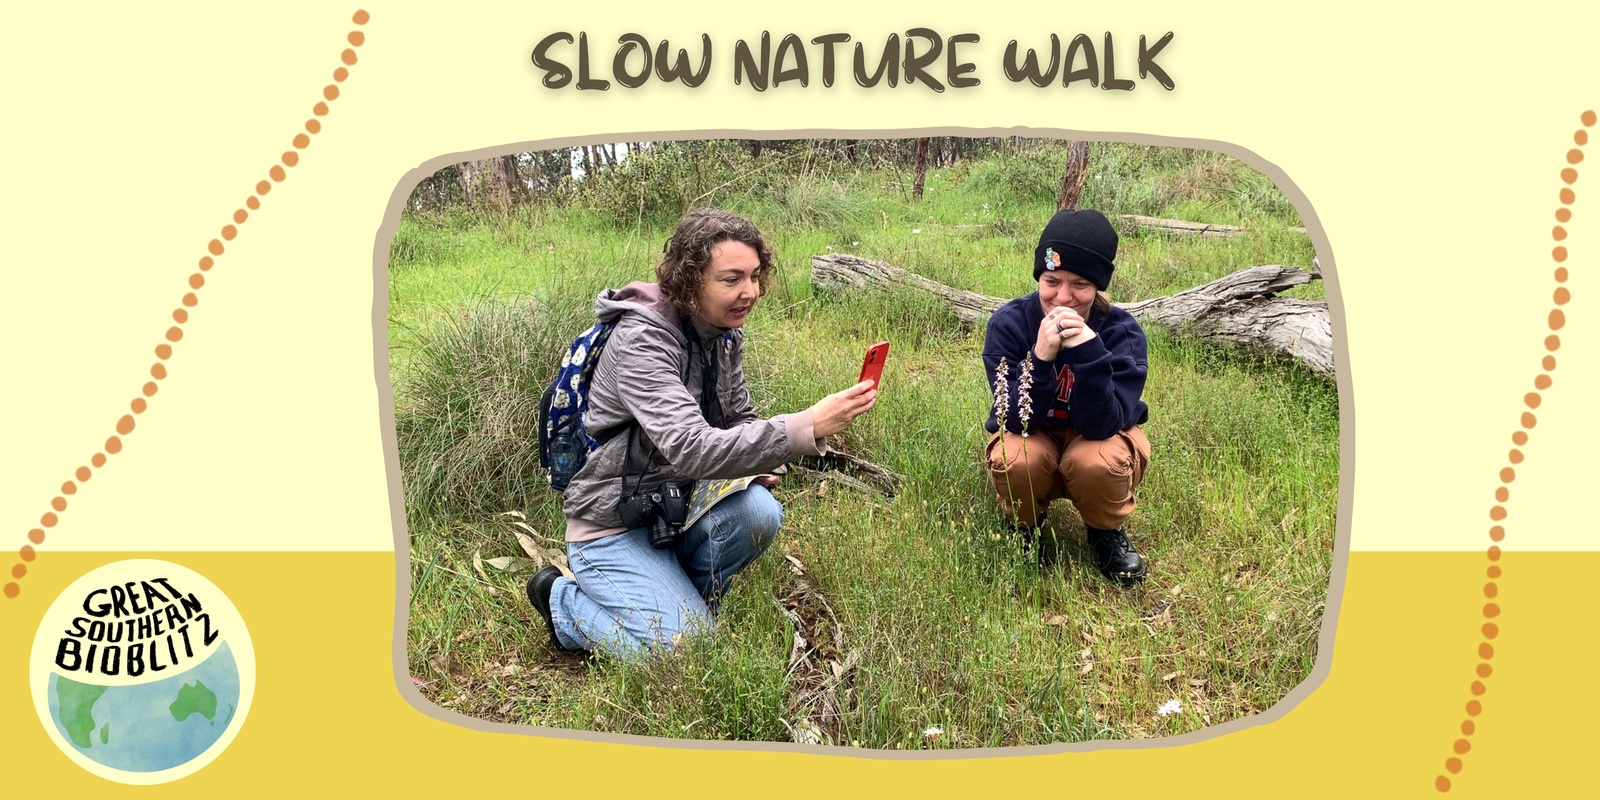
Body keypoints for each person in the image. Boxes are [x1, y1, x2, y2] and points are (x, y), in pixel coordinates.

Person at [527, 208, 878, 657]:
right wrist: (807, 425)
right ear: (689, 282)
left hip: (673, 511)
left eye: (754, 276)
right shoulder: (642, 341)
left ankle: (673, 597)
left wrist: (760, 461)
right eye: (731, 279)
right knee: (687, 654)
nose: (749, 292)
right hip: (611, 527)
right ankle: (563, 604)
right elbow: (692, 449)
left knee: (758, 512)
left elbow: (737, 420)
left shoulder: (721, 333)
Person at [982, 208, 1152, 586]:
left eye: (1080, 284)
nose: (1063, 297)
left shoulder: (1122, 333)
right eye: (1051, 280)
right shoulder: (1008, 325)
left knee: (1096, 461)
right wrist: (1040, 358)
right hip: (1033, 433)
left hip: (1096, 438)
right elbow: (1015, 421)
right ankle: (1025, 527)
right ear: (1039, 278)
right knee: (1017, 458)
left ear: (1098, 286)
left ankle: (1104, 530)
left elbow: (1102, 424)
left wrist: (1090, 354)